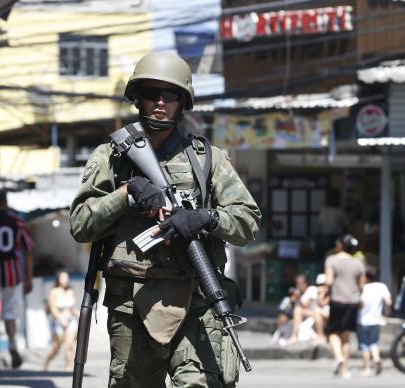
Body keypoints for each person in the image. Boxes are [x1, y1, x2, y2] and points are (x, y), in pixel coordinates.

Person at [69, 52, 261, 388]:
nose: (160, 103)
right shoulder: (111, 159)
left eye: (169, 95)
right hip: (133, 306)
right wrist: (125, 195)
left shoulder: (208, 160)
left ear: (182, 101)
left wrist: (205, 218)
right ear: (137, 99)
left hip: (198, 301)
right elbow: (81, 224)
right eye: (151, 94)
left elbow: (247, 223)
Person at [0, 189, 34, 369]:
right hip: (13, 276)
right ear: (6, 202)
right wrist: (29, 278)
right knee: (10, 315)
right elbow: (29, 249)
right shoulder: (17, 221)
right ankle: (11, 345)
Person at [324, 235, 365, 378]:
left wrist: (324, 295)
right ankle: (345, 370)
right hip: (352, 301)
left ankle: (339, 357)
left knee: (334, 332)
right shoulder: (358, 263)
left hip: (337, 299)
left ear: (341, 245)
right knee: (347, 336)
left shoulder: (331, 260)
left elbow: (329, 281)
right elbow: (361, 286)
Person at [357, 266, 391, 377]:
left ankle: (367, 368)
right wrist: (386, 314)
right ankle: (376, 358)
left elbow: (360, 304)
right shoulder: (381, 286)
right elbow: (389, 302)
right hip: (376, 320)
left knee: (365, 345)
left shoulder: (362, 288)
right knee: (374, 342)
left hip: (362, 320)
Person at [43, 271, 79, 371]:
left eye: (67, 278)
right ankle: (47, 361)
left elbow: (72, 308)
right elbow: (53, 308)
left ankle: (68, 366)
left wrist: (80, 315)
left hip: (71, 321)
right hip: (58, 321)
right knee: (57, 347)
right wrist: (61, 319)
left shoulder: (70, 291)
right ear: (58, 279)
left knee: (69, 344)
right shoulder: (54, 291)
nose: (65, 280)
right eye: (63, 278)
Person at [287, 274, 318, 344]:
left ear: (306, 283)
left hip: (313, 313)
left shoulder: (312, 289)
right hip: (302, 314)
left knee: (298, 310)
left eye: (300, 283)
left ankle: (294, 336)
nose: (298, 285)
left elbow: (306, 306)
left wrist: (298, 297)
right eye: (297, 283)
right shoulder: (299, 291)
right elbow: (293, 306)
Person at [313, 273, 330, 344]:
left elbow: (322, 303)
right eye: (319, 285)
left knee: (318, 313)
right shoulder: (316, 291)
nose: (321, 286)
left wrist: (322, 293)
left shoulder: (331, 292)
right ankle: (320, 336)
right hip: (322, 313)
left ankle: (321, 336)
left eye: (323, 284)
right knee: (317, 314)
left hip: (332, 314)